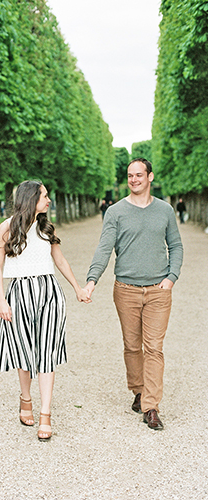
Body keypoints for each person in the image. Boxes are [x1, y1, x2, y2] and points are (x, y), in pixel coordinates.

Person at [84, 158, 183, 430]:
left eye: (139, 175)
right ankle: (138, 390)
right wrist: (92, 280)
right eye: (130, 175)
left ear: (150, 177)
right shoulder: (115, 212)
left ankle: (151, 406)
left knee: (154, 348)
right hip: (125, 290)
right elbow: (104, 249)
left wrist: (171, 278)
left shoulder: (165, 210)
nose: (134, 179)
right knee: (131, 346)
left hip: (158, 291)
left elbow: (175, 246)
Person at [0, 180, 90, 441]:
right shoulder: (7, 228)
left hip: (49, 293)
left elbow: (59, 259)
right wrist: (1, 300)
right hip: (19, 294)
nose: (48, 200)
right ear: (31, 198)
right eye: (44, 196)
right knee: (23, 352)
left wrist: (77, 288)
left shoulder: (46, 226)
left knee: (46, 352)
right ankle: (26, 398)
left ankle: (45, 414)